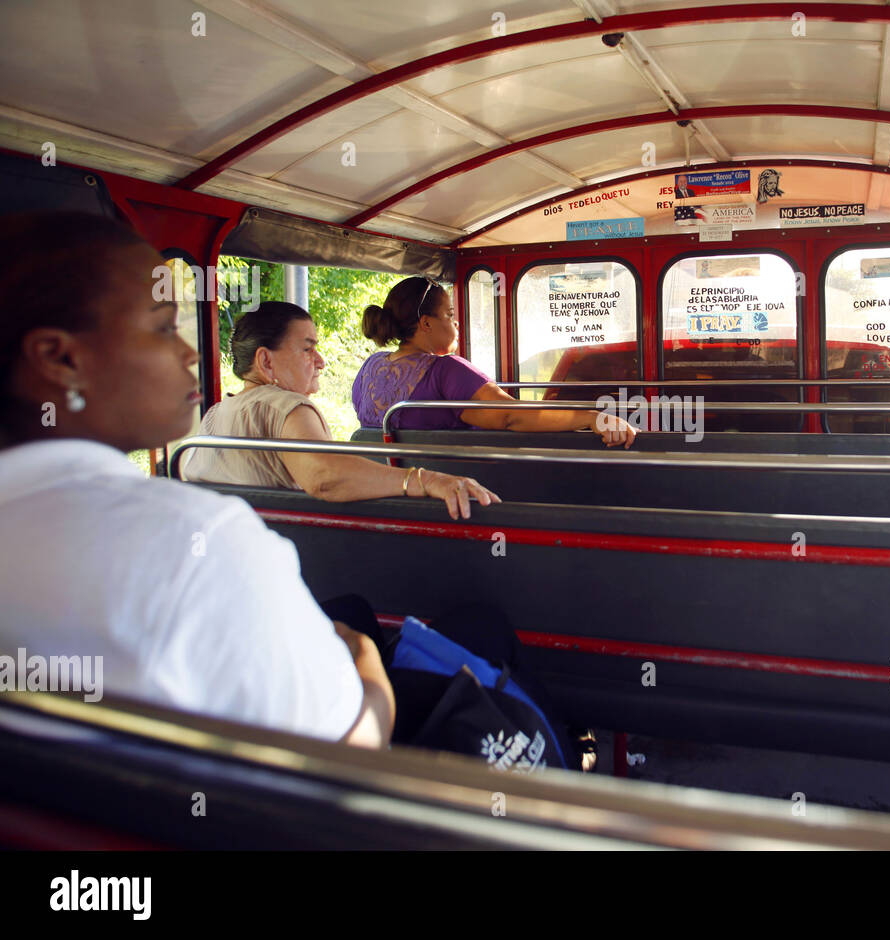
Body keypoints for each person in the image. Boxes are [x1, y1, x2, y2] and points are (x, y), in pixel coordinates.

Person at [0, 211, 393, 748]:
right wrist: (365, 659)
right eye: (163, 328)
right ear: (60, 358)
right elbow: (350, 748)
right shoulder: (190, 543)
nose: (188, 352)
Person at [184, 300, 499, 519]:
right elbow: (324, 475)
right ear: (266, 361)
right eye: (308, 349)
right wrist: (424, 480)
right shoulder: (288, 406)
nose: (320, 360)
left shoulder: (216, 414)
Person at [353, 277, 638, 446]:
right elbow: (510, 416)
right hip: (452, 496)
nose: (456, 322)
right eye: (449, 314)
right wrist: (591, 418)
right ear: (426, 323)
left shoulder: (369, 368)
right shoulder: (445, 371)